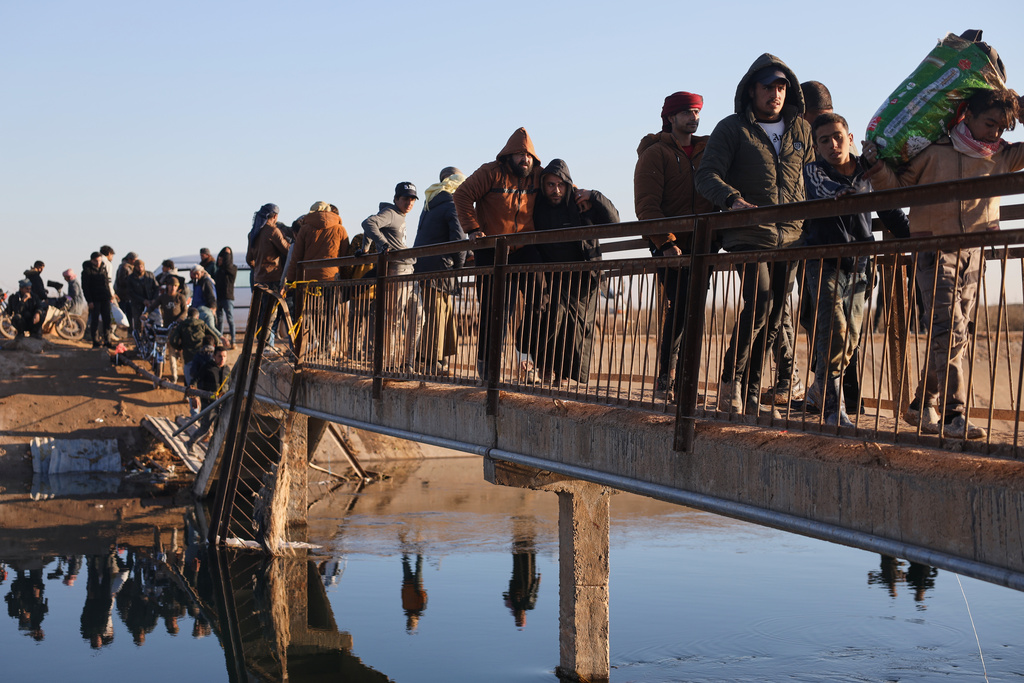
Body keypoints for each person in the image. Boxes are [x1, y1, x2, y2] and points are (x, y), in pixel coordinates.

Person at [864, 87, 1024, 439]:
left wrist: (1020, 110)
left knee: (957, 334)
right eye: (989, 123)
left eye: (1001, 126)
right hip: (934, 251)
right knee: (948, 329)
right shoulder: (934, 152)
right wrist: (876, 167)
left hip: (975, 255)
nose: (995, 132)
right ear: (966, 115)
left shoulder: (1002, 156)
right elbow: (899, 188)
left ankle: (923, 405)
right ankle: (955, 415)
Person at [695, 54, 815, 417]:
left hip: (791, 238)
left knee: (776, 315)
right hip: (748, 234)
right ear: (752, 91)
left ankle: (748, 394)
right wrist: (731, 199)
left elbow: (812, 179)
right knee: (760, 303)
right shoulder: (732, 129)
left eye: (781, 87)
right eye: (768, 87)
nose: (775, 94)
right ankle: (731, 383)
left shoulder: (801, 131)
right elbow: (706, 176)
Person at [803, 112, 910, 426]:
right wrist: (869, 173)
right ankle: (832, 410)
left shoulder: (868, 170)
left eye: (838, 137)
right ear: (817, 147)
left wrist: (915, 240)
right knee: (832, 329)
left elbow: (890, 210)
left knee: (851, 338)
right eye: (825, 140)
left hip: (861, 263)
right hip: (824, 261)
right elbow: (834, 193)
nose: (833, 144)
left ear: (850, 138)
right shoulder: (813, 171)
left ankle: (820, 387)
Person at [634, 91, 716, 399]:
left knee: (692, 308)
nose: (693, 118)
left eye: (697, 112)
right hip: (669, 245)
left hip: (703, 242)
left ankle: (684, 379)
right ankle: (667, 377)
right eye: (687, 113)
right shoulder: (655, 154)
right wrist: (665, 242)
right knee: (681, 306)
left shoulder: (708, 150)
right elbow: (646, 205)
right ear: (671, 118)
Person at [454, 128, 544, 380]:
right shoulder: (491, 172)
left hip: (525, 248)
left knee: (541, 300)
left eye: (527, 155)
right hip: (491, 249)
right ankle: (488, 365)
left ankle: (525, 357)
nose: (523, 159)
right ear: (508, 156)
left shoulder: (539, 176)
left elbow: (563, 186)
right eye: (518, 154)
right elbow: (461, 195)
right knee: (496, 310)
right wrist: (473, 229)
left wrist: (586, 196)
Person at [532, 158, 618, 385]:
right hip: (551, 278)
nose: (556, 190)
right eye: (550, 184)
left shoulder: (581, 203)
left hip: (583, 279)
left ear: (568, 184)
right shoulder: (537, 208)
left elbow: (614, 221)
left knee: (576, 331)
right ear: (543, 185)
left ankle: (564, 377)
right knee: (550, 323)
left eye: (560, 185)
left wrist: (594, 196)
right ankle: (546, 369)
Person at [412, 167, 469, 374]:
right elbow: (458, 238)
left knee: (441, 313)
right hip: (440, 267)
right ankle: (430, 362)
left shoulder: (431, 201)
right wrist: (461, 265)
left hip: (425, 265)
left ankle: (436, 359)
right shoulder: (454, 203)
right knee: (437, 314)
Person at [361, 183, 419, 370]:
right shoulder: (391, 213)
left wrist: (365, 248)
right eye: (405, 198)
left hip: (408, 271)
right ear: (396, 199)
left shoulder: (397, 215)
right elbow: (368, 223)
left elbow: (371, 224)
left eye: (412, 199)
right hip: (397, 270)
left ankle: (407, 361)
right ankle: (388, 364)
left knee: (419, 317)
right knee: (393, 319)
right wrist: (383, 243)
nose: (409, 202)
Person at [246, 203, 289, 344]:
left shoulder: (253, 233)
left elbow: (249, 259)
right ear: (275, 216)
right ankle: (267, 346)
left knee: (261, 314)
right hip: (274, 278)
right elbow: (287, 250)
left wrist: (258, 267)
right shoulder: (272, 231)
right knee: (273, 314)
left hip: (258, 279)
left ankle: (263, 346)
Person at [82, 251, 113, 347]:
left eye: (99, 260)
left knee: (107, 320)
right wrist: (89, 301)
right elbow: (85, 287)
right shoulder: (87, 271)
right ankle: (95, 341)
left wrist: (110, 295)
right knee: (94, 321)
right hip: (94, 299)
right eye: (96, 261)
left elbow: (107, 283)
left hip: (105, 297)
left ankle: (107, 341)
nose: (98, 263)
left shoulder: (103, 268)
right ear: (92, 261)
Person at [213, 247, 238, 347]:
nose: (219, 260)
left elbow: (228, 264)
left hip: (228, 298)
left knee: (230, 319)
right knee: (219, 321)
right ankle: (220, 340)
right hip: (219, 298)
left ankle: (233, 341)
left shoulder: (232, 269)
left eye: (222, 258)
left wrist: (226, 253)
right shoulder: (218, 271)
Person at [126, 259, 159, 332]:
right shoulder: (131, 278)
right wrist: (143, 300)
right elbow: (131, 293)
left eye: (141, 266)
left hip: (150, 302)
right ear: (135, 267)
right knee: (137, 321)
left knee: (152, 321)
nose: (140, 268)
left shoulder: (150, 275)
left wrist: (154, 299)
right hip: (137, 303)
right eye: (138, 267)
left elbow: (156, 288)